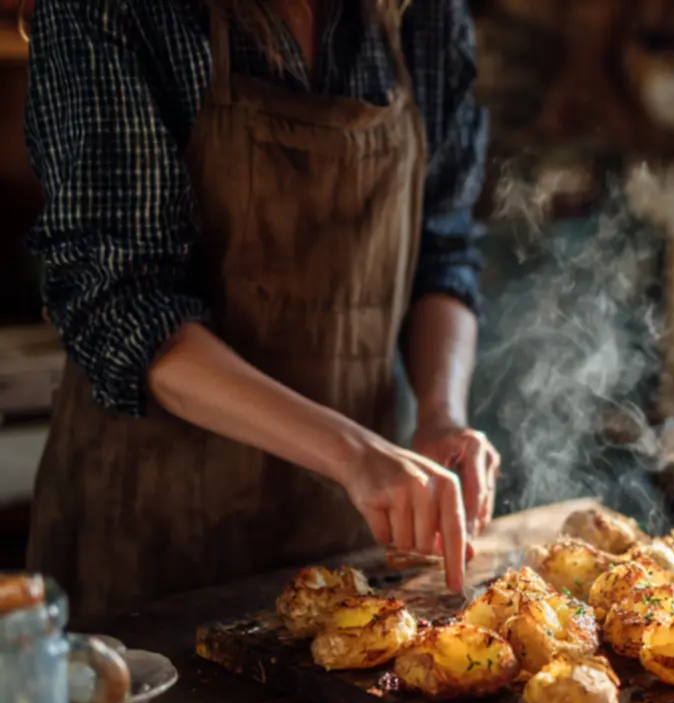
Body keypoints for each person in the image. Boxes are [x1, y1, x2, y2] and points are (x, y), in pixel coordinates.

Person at [22, 0, 497, 620]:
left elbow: (444, 250)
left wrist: (440, 413)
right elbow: (124, 306)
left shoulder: (421, 15)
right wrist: (352, 454)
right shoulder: (111, 10)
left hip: (348, 537)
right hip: (153, 539)